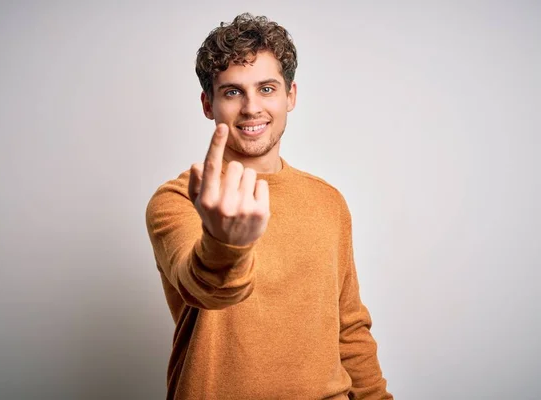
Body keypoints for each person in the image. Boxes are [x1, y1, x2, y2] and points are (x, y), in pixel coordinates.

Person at [145, 13, 393, 400]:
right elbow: (205, 289)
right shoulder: (179, 199)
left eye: (266, 88)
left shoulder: (328, 201)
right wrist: (225, 243)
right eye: (231, 92)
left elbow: (350, 329)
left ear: (290, 96)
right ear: (207, 104)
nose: (251, 108)